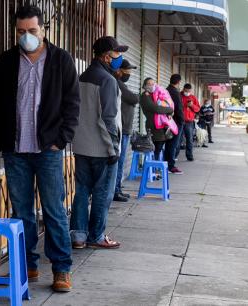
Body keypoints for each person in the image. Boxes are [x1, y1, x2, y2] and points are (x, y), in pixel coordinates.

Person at [0, 5, 80, 292]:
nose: (26, 36)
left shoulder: (61, 60)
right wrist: (0, 136)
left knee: (53, 209)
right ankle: (27, 264)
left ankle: (61, 268)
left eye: (32, 30)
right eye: (21, 32)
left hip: (48, 150)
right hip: (15, 149)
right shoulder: (6, 61)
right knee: (22, 212)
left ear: (43, 29)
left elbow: (72, 104)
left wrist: (61, 138)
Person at [70, 36, 128, 250]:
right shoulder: (108, 80)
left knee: (82, 191)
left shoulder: (82, 76)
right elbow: (109, 118)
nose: (119, 58)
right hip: (103, 149)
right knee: (103, 193)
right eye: (116, 54)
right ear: (106, 56)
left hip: (81, 146)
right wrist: (113, 148)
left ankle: (78, 236)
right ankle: (96, 235)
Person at [113, 59, 139, 202]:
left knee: (121, 161)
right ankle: (115, 190)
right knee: (120, 161)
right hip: (121, 129)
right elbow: (134, 98)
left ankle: (118, 188)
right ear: (119, 71)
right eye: (127, 71)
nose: (129, 73)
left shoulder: (121, 84)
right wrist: (137, 96)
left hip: (125, 128)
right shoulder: (118, 83)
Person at [140, 78, 174, 161]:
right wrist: (170, 110)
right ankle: (154, 169)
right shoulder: (145, 96)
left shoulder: (155, 95)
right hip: (153, 127)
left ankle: (156, 168)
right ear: (144, 85)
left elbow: (163, 104)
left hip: (160, 126)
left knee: (159, 148)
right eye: (149, 84)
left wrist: (169, 111)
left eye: (153, 84)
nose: (151, 86)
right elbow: (156, 109)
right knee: (156, 148)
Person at [166, 74, 184, 174]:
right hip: (176, 122)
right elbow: (179, 109)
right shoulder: (176, 93)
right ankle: (171, 166)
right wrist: (182, 121)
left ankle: (166, 163)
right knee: (173, 144)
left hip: (167, 121)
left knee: (169, 143)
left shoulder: (166, 90)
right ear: (178, 82)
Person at [181, 83, 201, 161]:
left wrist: (192, 105)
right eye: (186, 91)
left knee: (189, 139)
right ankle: (174, 156)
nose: (187, 92)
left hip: (189, 122)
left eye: (189, 91)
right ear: (183, 89)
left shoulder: (193, 97)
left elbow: (198, 109)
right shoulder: (179, 96)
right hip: (179, 120)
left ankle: (189, 156)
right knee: (178, 139)